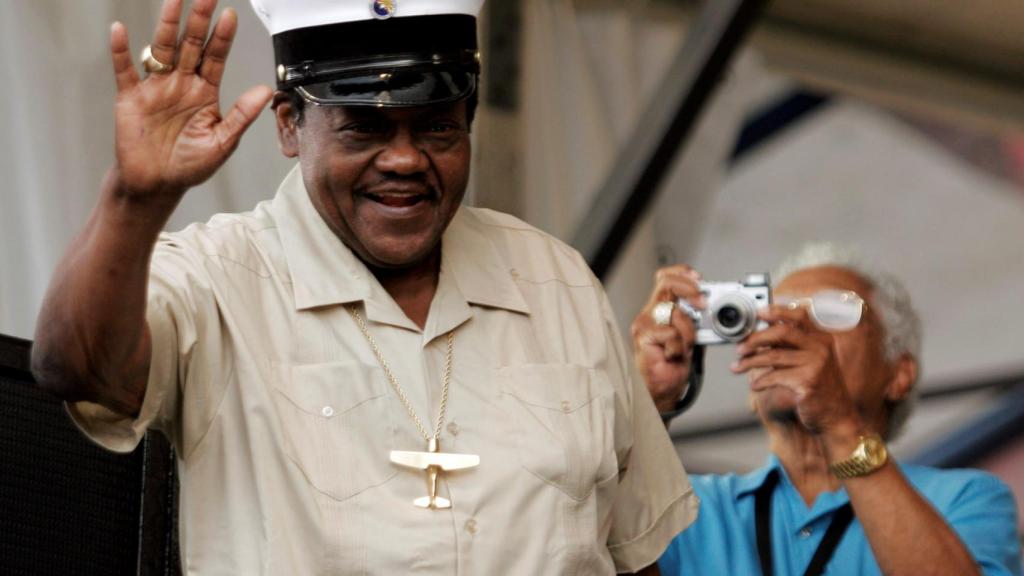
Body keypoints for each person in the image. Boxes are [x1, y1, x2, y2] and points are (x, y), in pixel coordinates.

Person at [30, 0, 697, 573]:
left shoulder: (556, 283)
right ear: (290, 125)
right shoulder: (218, 277)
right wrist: (134, 200)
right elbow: (75, 367)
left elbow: (634, 551)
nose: (405, 159)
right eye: (365, 125)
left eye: (437, 124)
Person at [633, 243, 1022, 575]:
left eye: (833, 311)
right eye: (773, 313)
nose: (793, 329)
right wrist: (648, 401)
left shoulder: (963, 499)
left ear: (898, 375)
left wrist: (838, 423)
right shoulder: (686, 505)